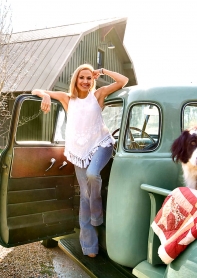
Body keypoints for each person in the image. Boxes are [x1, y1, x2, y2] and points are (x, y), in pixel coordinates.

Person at [32, 64, 128, 258]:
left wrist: (102, 72)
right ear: (75, 79)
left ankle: (97, 218)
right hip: (79, 150)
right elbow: (35, 90)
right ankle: (90, 246)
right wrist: (46, 96)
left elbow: (123, 81)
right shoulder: (68, 99)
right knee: (84, 196)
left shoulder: (98, 95)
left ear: (92, 80)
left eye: (88, 78)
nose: (85, 81)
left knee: (93, 175)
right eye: (81, 78)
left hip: (101, 144)